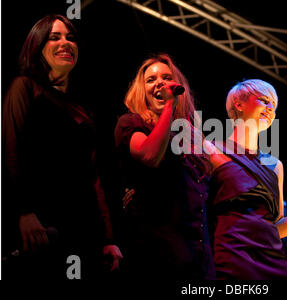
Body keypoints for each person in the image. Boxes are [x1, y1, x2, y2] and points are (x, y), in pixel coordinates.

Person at [2, 14, 122, 279]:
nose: (65, 43)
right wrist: (24, 212)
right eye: (54, 37)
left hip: (81, 231)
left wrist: (108, 238)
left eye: (70, 38)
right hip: (41, 227)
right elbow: (9, 150)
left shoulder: (82, 108)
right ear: (37, 45)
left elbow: (94, 177)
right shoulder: (24, 88)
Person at [205, 79, 287, 279]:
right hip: (229, 263)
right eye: (265, 101)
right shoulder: (211, 150)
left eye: (273, 106)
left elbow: (275, 227)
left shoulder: (275, 166)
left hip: (271, 266)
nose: (270, 109)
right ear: (238, 104)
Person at [114, 53, 215, 279]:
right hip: (156, 256)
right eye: (151, 79)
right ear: (142, 91)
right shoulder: (132, 123)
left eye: (166, 77)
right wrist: (170, 105)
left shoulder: (192, 137)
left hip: (198, 259)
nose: (159, 82)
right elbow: (150, 155)